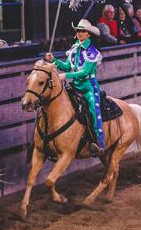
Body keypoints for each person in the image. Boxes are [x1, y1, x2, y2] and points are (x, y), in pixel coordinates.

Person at [44, 19, 105, 157]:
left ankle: (99, 143)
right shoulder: (75, 48)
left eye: (82, 31)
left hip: (89, 87)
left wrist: (65, 76)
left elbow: (85, 72)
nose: (79, 33)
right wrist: (54, 60)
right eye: (78, 30)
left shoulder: (92, 51)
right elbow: (67, 66)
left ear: (88, 34)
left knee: (94, 110)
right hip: (75, 85)